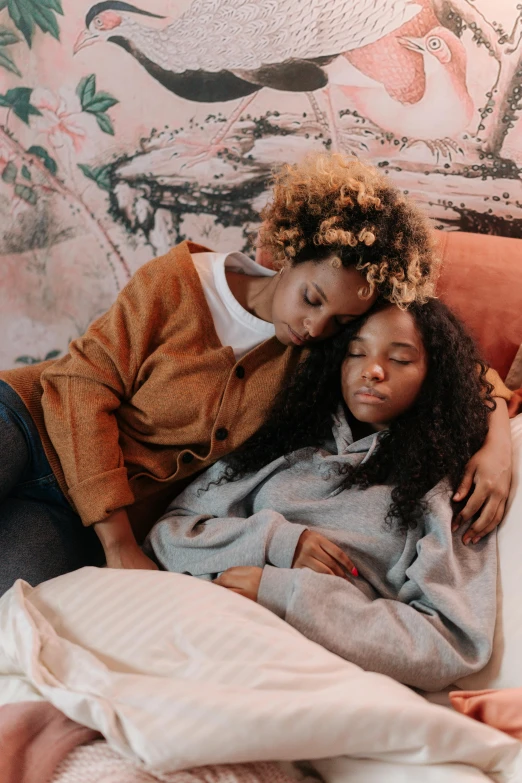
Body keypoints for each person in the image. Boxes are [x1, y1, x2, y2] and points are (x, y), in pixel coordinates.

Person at [146, 300, 500, 692]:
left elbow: (451, 644)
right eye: (356, 353)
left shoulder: (442, 490)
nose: (373, 370)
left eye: (400, 359)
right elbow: (167, 537)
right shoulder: (285, 444)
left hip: (299, 669)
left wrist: (284, 594)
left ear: (435, 376)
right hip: (191, 629)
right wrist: (277, 542)